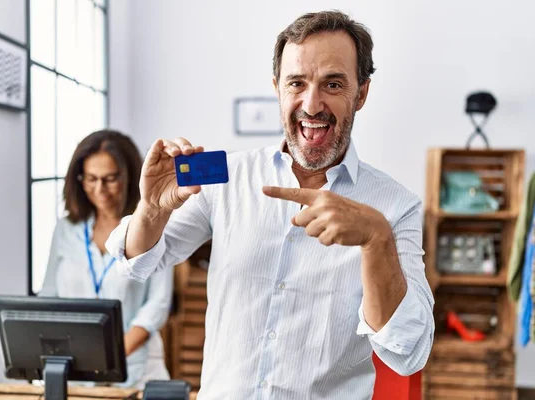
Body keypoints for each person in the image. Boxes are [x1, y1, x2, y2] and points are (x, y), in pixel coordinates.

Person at [106, 10, 434, 399]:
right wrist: (152, 210)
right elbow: (137, 263)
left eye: (332, 84)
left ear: (361, 93)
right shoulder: (225, 176)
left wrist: (376, 240)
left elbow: (409, 352)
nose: (312, 105)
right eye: (297, 83)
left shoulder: (397, 207)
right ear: (278, 87)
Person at [39, 129, 172, 389]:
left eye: (110, 179)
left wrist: (109, 358)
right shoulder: (66, 229)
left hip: (136, 369)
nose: (99, 189)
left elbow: (157, 305)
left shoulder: (151, 225)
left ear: (130, 176)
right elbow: (49, 295)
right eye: (90, 179)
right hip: (75, 369)